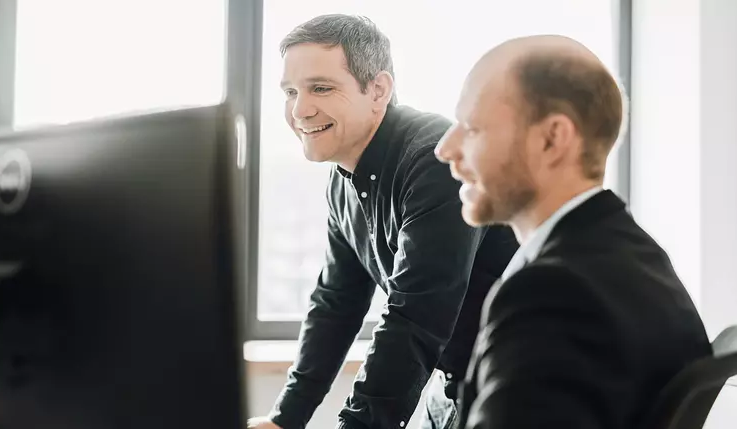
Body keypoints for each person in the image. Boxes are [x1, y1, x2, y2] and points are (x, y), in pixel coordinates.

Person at [247, 14, 518, 429]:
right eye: (290, 91)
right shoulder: (342, 184)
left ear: (378, 90)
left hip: (516, 389)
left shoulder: (432, 160)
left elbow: (414, 316)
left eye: (321, 87)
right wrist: (285, 418)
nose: (299, 109)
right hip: (451, 386)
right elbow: (336, 305)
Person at [434, 35, 712, 429]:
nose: (445, 148)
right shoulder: (634, 257)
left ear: (552, 139)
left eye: (471, 128)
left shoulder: (553, 293)